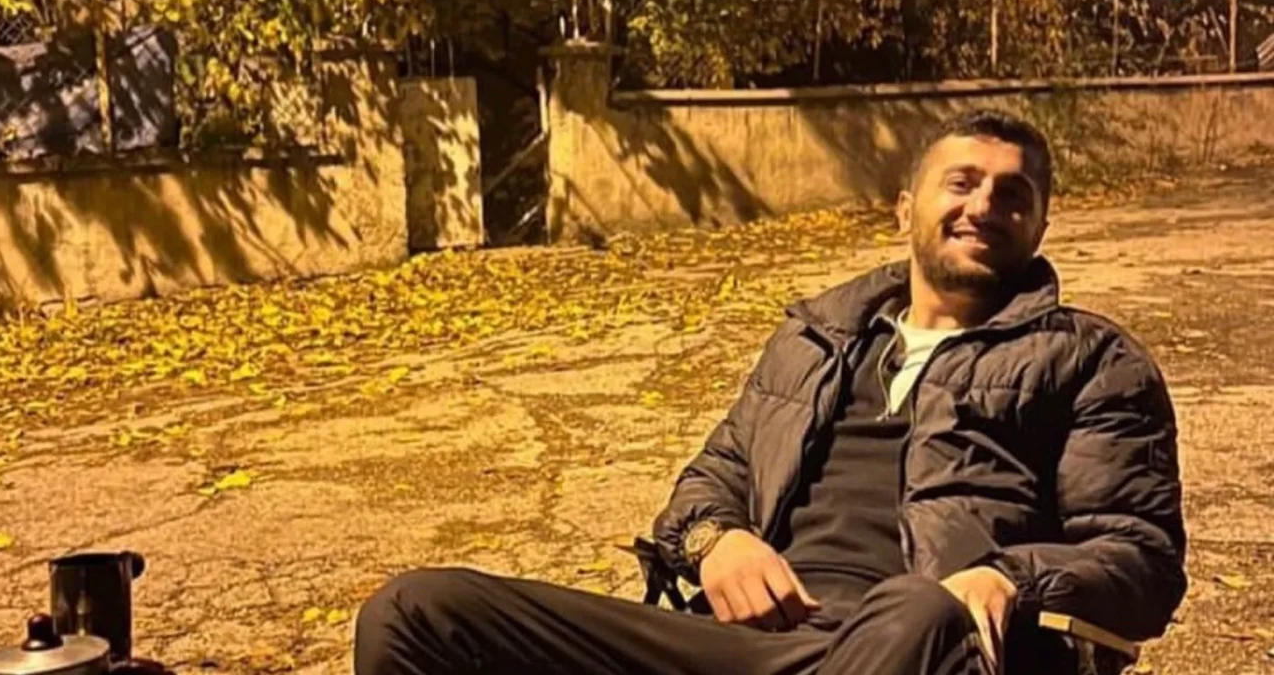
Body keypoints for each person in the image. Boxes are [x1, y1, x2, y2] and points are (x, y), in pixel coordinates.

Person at [352, 110, 1187, 675]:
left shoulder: (1092, 360)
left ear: (1040, 226)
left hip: (918, 649)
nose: (985, 206)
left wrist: (1010, 580)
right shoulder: (818, 336)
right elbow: (709, 480)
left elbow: (1141, 559)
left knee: (916, 610)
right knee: (418, 612)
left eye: (1013, 194)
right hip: (746, 642)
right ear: (905, 208)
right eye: (961, 182)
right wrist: (716, 540)